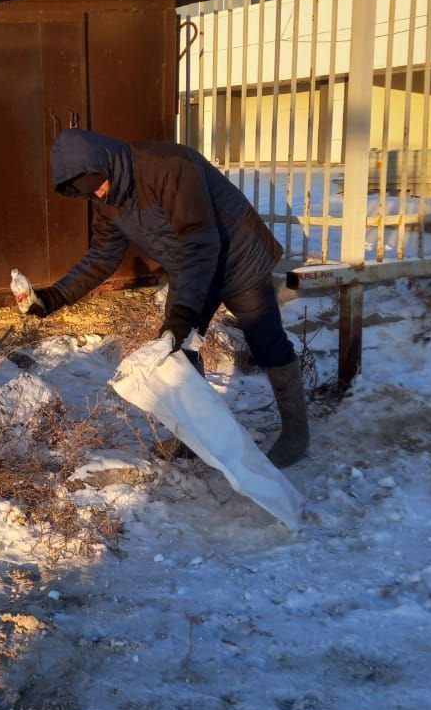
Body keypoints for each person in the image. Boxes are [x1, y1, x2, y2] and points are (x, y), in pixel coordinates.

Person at [24, 128, 309, 468]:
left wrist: (182, 314)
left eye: (98, 182)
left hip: (238, 259)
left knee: (266, 342)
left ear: (106, 164)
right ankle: (194, 433)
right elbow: (101, 259)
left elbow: (201, 242)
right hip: (191, 268)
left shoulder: (169, 166)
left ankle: (296, 432)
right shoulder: (107, 202)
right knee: (176, 351)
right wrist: (52, 298)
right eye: (88, 191)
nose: (98, 192)